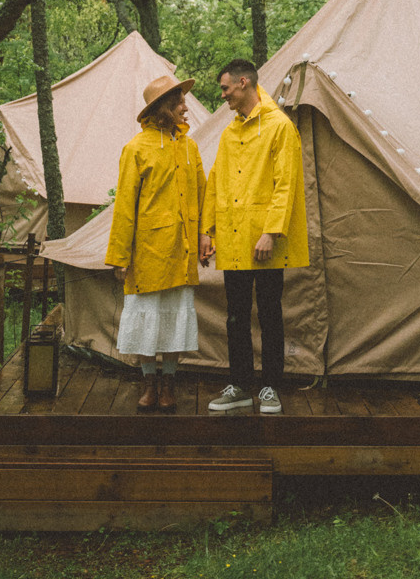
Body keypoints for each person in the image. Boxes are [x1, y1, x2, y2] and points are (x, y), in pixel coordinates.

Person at [198, 57, 308, 415]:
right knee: (236, 315)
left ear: (244, 83)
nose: (224, 96)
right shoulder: (231, 132)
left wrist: (272, 232)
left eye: (226, 88)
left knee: (271, 313)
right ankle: (240, 385)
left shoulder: (279, 127)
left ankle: (271, 387)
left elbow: (286, 184)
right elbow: (217, 181)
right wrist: (207, 230)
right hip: (232, 239)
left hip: (264, 243)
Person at [105, 72, 205, 413]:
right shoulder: (136, 148)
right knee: (148, 320)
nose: (184, 106)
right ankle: (148, 382)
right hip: (147, 251)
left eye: (183, 100)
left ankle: (169, 382)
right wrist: (120, 255)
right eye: (178, 101)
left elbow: (203, 195)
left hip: (183, 248)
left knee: (175, 320)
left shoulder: (190, 147)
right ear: (161, 108)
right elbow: (124, 206)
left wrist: (207, 235)